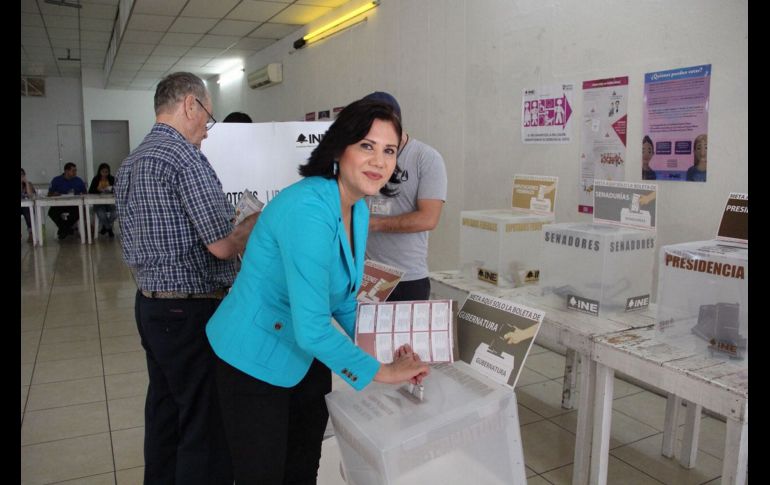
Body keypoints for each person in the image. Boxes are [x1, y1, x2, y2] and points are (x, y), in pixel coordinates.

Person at [206, 98, 430, 484]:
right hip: (252, 357)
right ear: (339, 147)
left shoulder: (356, 206)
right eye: (367, 146)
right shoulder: (308, 208)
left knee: (303, 467)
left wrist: (382, 346)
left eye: (389, 150)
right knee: (262, 475)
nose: (379, 161)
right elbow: (312, 327)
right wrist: (383, 372)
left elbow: (343, 298)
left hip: (303, 357)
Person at [114, 72, 257, 485]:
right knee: (204, 424)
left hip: (150, 306)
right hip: (190, 309)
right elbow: (222, 246)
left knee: (165, 413)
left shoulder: (132, 161)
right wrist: (255, 223)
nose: (207, 133)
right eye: (208, 119)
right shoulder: (184, 158)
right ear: (190, 105)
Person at [361, 91, 448, 301]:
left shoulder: (426, 158)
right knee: (364, 333)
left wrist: (371, 224)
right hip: (366, 275)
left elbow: (428, 218)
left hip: (407, 278)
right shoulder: (361, 155)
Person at [47, 162, 87, 240]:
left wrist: (81, 194)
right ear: (66, 171)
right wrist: (54, 194)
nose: (75, 173)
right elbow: (49, 193)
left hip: (74, 205)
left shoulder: (78, 180)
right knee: (51, 212)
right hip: (59, 204)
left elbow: (85, 193)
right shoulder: (56, 180)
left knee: (79, 212)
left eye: (76, 171)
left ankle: (64, 230)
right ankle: (67, 229)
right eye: (73, 171)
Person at [88, 162, 117, 237]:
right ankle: (109, 228)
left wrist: (110, 189)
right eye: (103, 172)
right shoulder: (96, 179)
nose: (105, 174)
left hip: (109, 202)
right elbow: (90, 191)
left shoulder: (112, 179)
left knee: (115, 213)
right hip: (98, 203)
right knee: (101, 214)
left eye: (106, 172)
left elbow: (117, 189)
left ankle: (105, 227)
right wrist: (98, 190)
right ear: (99, 172)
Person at [20, 168, 35, 243]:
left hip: (27, 207)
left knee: (27, 211)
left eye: (22, 175)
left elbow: (30, 196)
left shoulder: (29, 184)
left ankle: (31, 233)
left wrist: (26, 183)